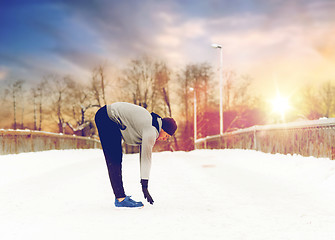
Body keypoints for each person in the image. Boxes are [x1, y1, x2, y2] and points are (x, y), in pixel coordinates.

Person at [94, 102, 177, 208]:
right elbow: (146, 157)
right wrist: (145, 186)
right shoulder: (152, 130)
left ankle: (120, 197)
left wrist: (144, 183)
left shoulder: (152, 123)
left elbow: (143, 152)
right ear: (163, 129)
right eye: (166, 136)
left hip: (107, 116)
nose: (164, 139)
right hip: (107, 117)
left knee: (116, 156)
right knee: (114, 158)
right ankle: (120, 199)